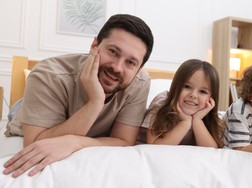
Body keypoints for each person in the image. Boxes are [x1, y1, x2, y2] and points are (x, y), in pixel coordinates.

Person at [3, 14, 154, 177]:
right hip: (28, 114)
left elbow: (124, 141)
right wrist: (96, 102)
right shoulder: (48, 74)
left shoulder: (140, 82)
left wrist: (74, 142)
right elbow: (36, 143)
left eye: (131, 63)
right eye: (113, 52)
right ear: (94, 45)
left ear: (139, 68)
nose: (117, 67)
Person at [140, 59, 224, 148]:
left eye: (203, 91)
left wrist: (197, 120)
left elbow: (212, 151)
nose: (193, 95)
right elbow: (154, 147)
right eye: (187, 86)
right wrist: (185, 122)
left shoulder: (207, 118)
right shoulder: (160, 105)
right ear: (175, 87)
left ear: (211, 98)